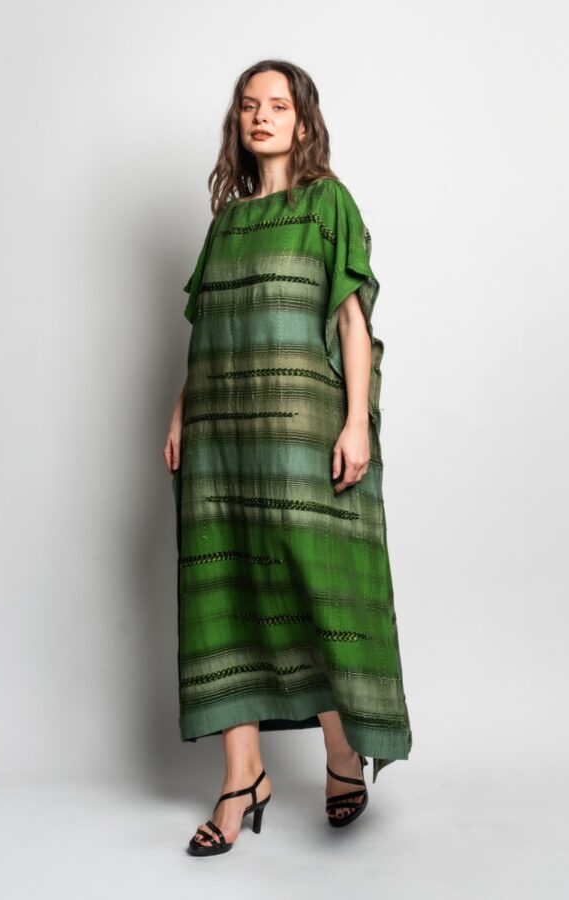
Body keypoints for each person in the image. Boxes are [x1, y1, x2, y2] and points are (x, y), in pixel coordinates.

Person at [163, 59, 412, 857]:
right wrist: (181, 413)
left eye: (277, 105)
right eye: (249, 105)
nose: (261, 116)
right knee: (226, 588)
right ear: (238, 122)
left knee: (311, 592)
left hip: (300, 432)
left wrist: (355, 423)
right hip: (221, 439)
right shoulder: (226, 222)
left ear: (303, 121)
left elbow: (351, 321)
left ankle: (342, 754)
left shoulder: (326, 203)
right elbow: (208, 332)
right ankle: (242, 778)